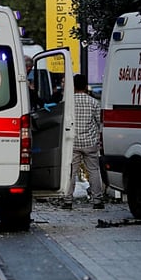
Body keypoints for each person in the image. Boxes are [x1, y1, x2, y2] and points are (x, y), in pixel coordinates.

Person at [62, 74, 104, 210]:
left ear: (73, 86)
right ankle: (97, 200)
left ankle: (68, 200)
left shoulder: (68, 103)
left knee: (70, 172)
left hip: (72, 143)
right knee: (93, 171)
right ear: (86, 86)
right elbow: (99, 123)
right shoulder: (94, 102)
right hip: (90, 143)